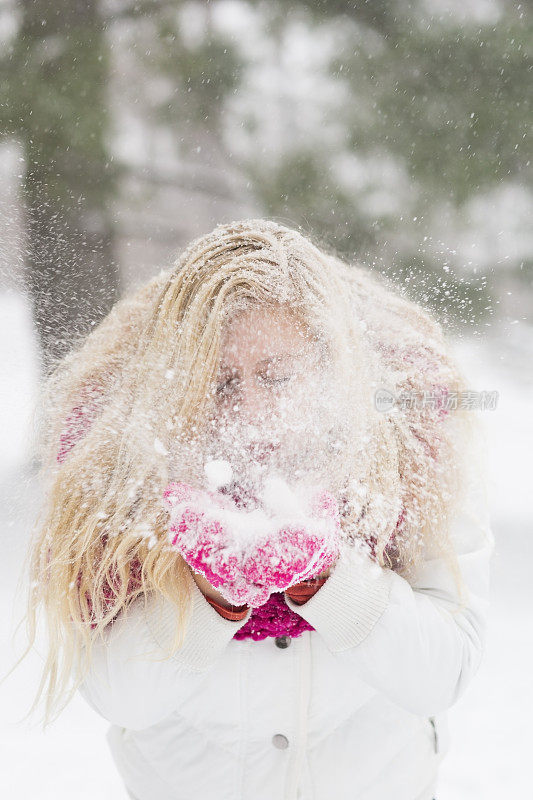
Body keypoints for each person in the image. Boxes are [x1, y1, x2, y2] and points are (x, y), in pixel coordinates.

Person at [20, 219, 494, 800]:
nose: (250, 410)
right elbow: (123, 698)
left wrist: (329, 581)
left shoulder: (413, 455)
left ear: (327, 364)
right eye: (220, 383)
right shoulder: (119, 475)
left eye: (276, 376)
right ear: (178, 382)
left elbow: (443, 673)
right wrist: (210, 598)